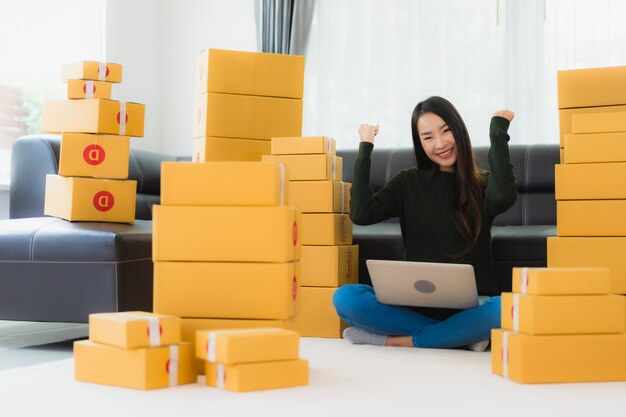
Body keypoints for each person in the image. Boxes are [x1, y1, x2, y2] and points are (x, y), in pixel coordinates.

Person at [332, 96, 517, 350]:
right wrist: (366, 146)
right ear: (420, 143)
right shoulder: (407, 182)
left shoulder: (482, 185)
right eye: (428, 137)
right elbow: (362, 213)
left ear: (459, 131)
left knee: (504, 308)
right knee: (346, 298)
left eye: (446, 131)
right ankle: (458, 337)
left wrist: (498, 130)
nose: (440, 144)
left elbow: (504, 195)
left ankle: (399, 340)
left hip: (473, 306)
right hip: (416, 307)